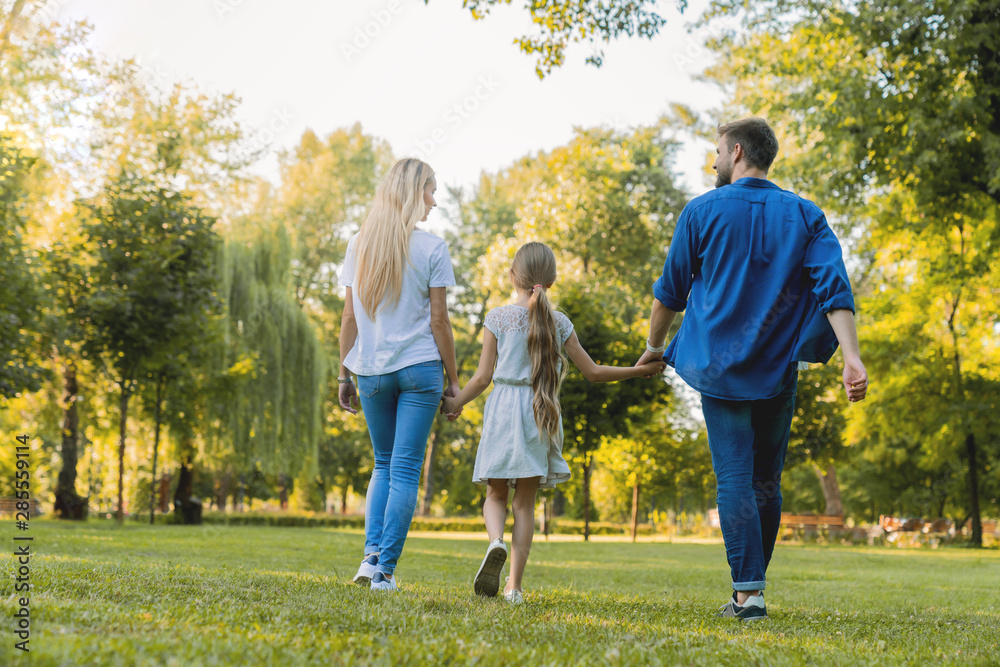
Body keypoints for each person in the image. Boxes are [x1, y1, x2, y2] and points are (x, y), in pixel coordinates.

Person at [635, 117, 869, 621]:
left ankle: (748, 593)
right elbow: (835, 288)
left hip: (718, 369)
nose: (714, 161)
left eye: (717, 151)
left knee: (735, 478)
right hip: (778, 369)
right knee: (766, 480)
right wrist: (851, 357)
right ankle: (751, 590)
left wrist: (653, 347)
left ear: (737, 151)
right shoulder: (806, 215)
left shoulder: (701, 211)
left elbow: (669, 293)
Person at [443, 242, 666, 603]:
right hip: (540, 411)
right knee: (525, 505)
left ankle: (495, 542)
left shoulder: (498, 318)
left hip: (503, 409)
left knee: (495, 493)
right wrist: (638, 370)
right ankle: (514, 587)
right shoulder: (559, 322)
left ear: (513, 275)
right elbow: (593, 372)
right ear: (552, 280)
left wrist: (454, 402)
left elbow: (483, 378)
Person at [338, 157, 460, 592]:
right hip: (419, 369)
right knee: (405, 469)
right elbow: (440, 322)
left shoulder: (359, 245)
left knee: (383, 465)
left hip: (370, 369)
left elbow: (349, 319)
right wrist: (454, 380)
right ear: (413, 193)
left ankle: (371, 560)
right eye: (430, 190)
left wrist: (343, 375)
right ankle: (386, 572)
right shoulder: (433, 248)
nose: (433, 200)